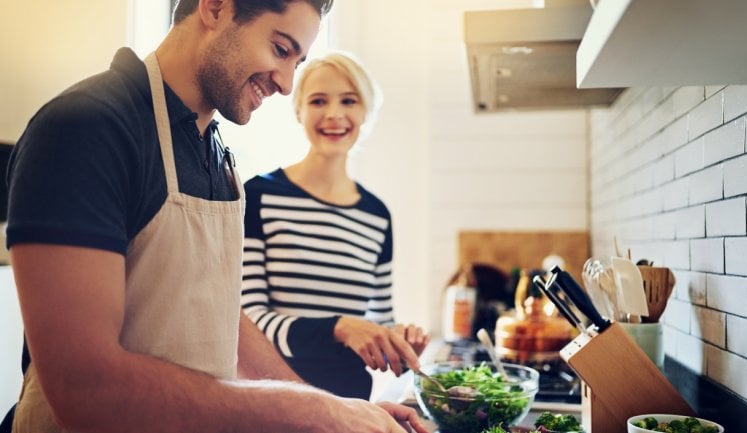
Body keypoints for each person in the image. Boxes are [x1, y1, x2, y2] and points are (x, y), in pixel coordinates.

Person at [2, 1, 428, 432]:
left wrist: (340, 410)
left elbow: (222, 317)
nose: (286, 84)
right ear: (216, 7)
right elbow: (85, 389)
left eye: (298, 62)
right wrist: (321, 413)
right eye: (281, 50)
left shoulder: (214, 150)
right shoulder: (86, 128)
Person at [240, 52, 429, 399]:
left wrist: (397, 342)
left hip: (351, 398)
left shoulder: (377, 215)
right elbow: (248, 321)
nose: (334, 114)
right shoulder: (258, 195)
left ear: (364, 112)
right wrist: (338, 329)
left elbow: (379, 321)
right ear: (298, 110)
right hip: (274, 396)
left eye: (349, 100)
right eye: (318, 101)